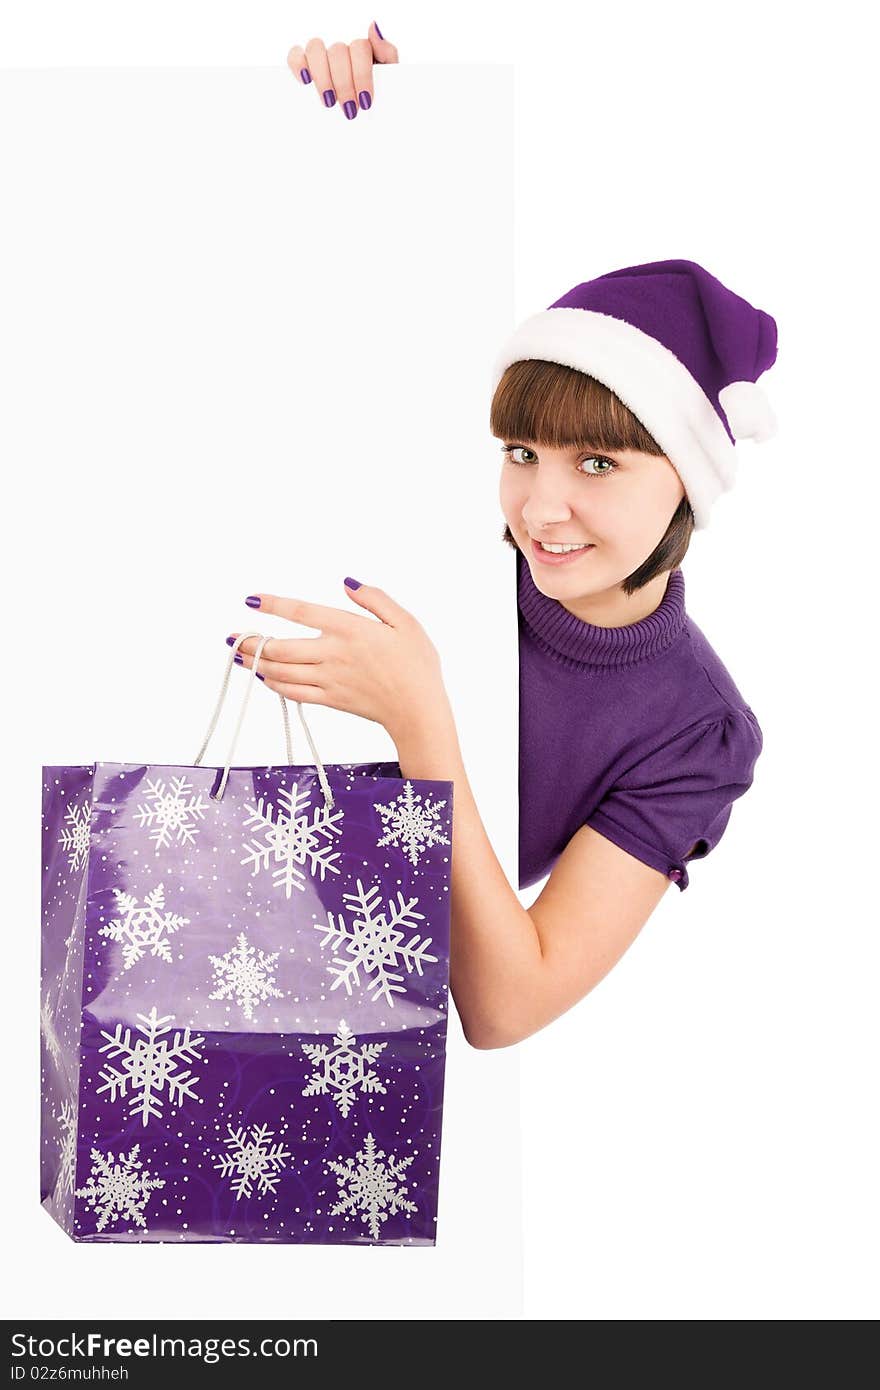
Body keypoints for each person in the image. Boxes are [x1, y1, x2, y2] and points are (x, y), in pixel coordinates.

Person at [228, 38, 778, 1052]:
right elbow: (334, 308)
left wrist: (422, 719)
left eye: (599, 464)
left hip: (331, 1036)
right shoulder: (432, 539)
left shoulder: (691, 732)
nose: (542, 508)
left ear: (687, 484)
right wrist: (358, 112)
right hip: (184, 914)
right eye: (522, 450)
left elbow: (505, 1005)